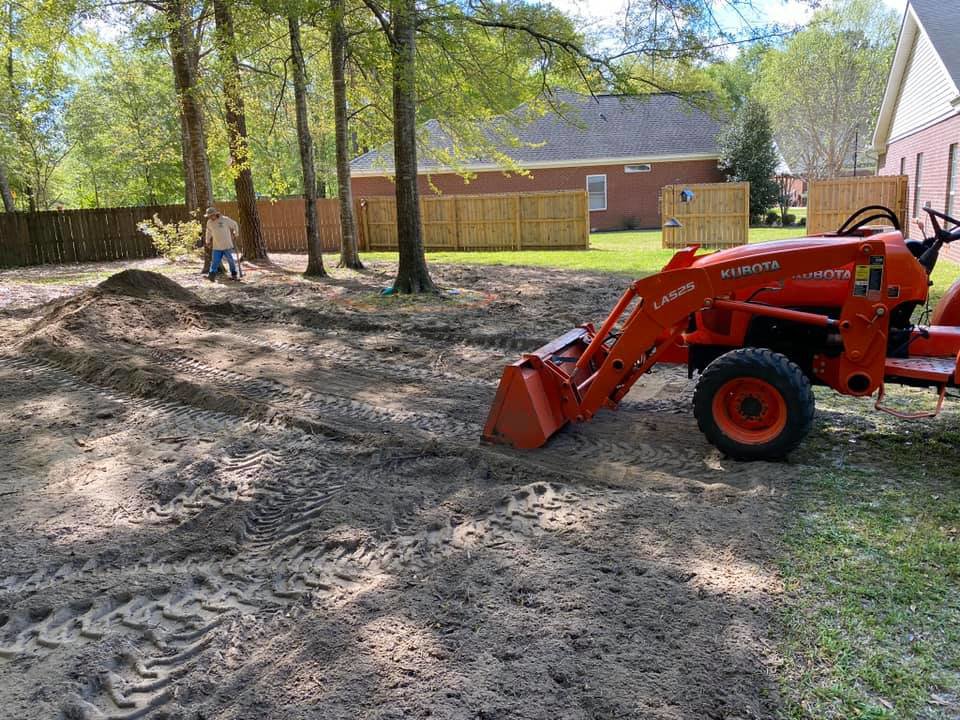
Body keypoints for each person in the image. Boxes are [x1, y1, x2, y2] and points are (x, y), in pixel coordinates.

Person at [203, 207, 240, 282]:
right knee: (215, 262)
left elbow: (235, 224)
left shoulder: (225, 219)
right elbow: (208, 232)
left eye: (211, 215)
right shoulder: (209, 222)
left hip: (227, 245)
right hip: (216, 246)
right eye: (209, 216)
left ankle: (234, 275)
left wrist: (236, 233)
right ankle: (211, 276)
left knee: (230, 261)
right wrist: (207, 241)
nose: (210, 217)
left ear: (215, 214)